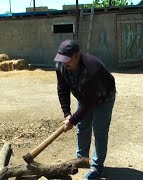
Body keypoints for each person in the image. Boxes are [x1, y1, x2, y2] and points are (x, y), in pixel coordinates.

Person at [54, 39, 116, 180]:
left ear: (77, 55)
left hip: (104, 97)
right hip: (85, 96)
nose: (64, 63)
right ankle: (81, 159)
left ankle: (96, 167)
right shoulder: (61, 66)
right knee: (83, 127)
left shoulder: (92, 69)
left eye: (67, 59)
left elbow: (90, 103)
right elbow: (62, 89)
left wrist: (74, 120)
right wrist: (67, 114)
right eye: (61, 59)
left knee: (99, 131)